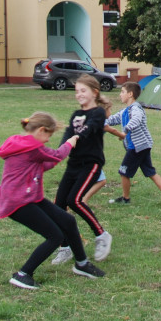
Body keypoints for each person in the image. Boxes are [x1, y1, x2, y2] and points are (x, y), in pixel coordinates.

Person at [0, 112, 105, 289]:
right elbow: (56, 155)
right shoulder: (32, 146)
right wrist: (69, 143)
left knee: (68, 221)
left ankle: (82, 264)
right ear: (41, 130)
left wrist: (54, 158)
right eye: (49, 135)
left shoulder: (22, 143)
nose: (48, 140)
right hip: (19, 202)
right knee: (55, 236)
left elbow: (43, 164)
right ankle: (23, 274)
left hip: (29, 197)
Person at [51, 75, 115, 264]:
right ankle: (65, 247)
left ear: (94, 93)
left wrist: (77, 138)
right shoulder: (75, 115)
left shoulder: (98, 113)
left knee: (75, 200)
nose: (79, 94)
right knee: (59, 205)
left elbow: (90, 128)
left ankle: (102, 235)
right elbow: (68, 134)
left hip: (91, 164)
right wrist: (60, 152)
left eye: (83, 91)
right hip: (73, 164)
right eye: (77, 91)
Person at [105, 82, 161, 204]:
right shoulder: (124, 111)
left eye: (122, 92)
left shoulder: (136, 108)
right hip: (142, 147)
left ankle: (125, 199)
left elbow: (136, 120)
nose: (120, 95)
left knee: (124, 171)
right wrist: (97, 120)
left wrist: (125, 130)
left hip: (137, 147)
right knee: (150, 172)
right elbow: (112, 120)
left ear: (130, 94)